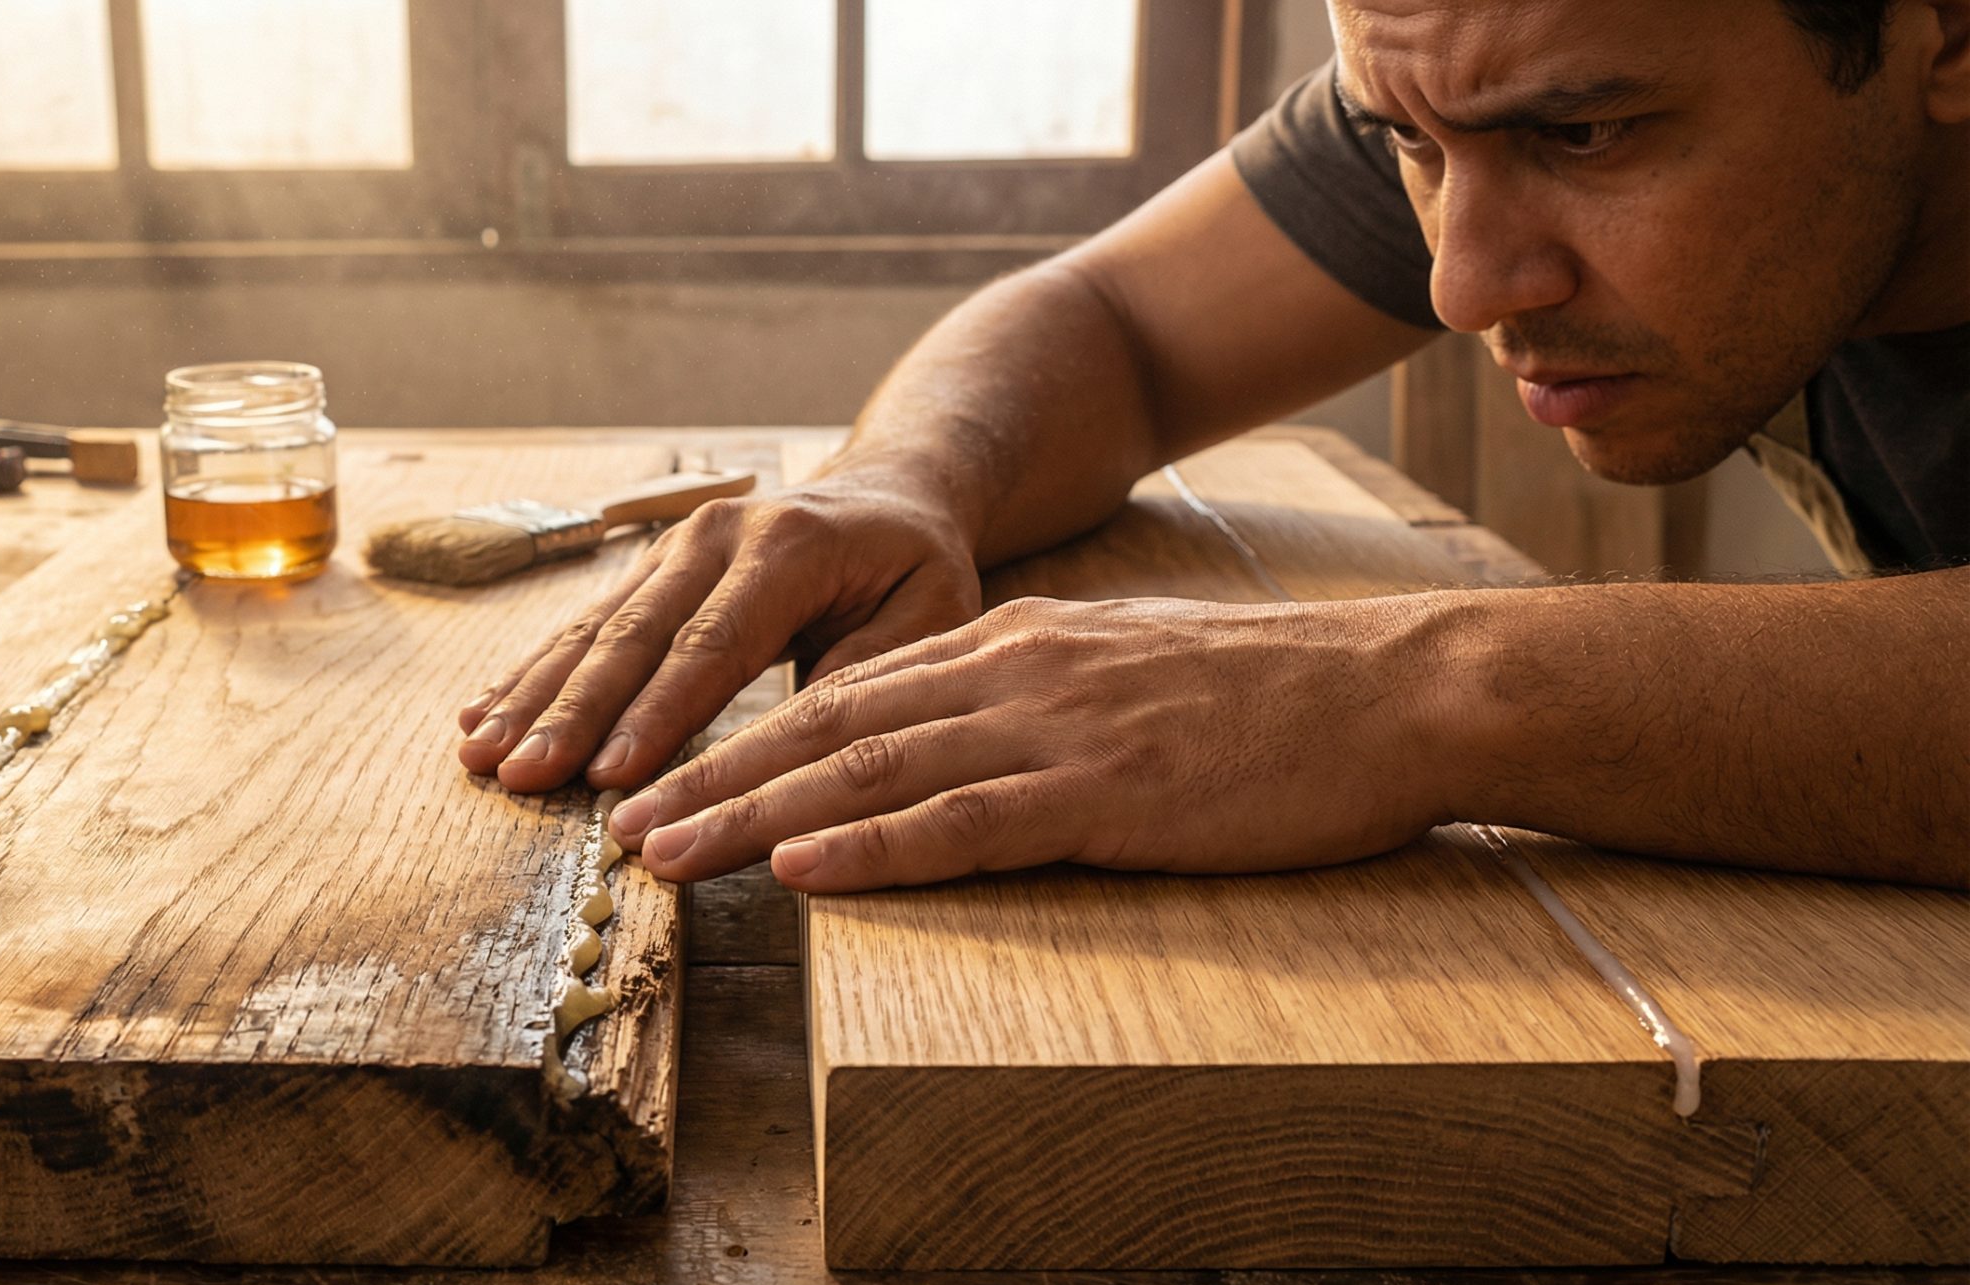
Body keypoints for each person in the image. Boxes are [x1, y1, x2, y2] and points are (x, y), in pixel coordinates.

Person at [458, 0, 1970, 894]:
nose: (1462, 282)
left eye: (1588, 140)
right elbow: (1110, 315)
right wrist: (903, 480)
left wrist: (1419, 690)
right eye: (1410, 147)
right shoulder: (1502, 66)